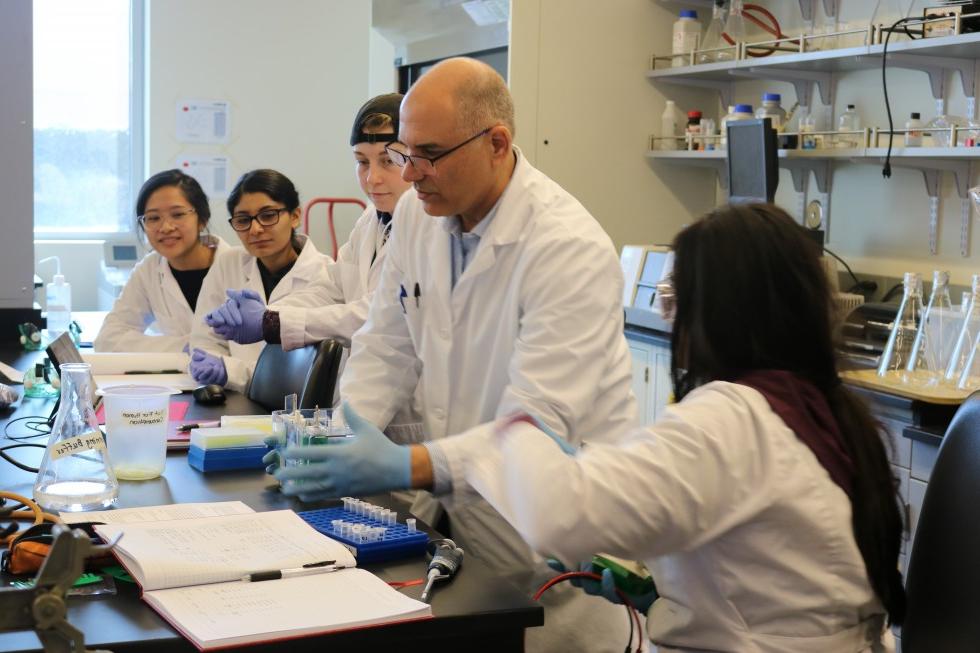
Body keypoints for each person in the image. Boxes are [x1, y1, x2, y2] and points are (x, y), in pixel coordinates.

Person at [275, 58, 637, 653]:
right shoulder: (420, 214)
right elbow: (387, 343)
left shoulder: (567, 248)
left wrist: (401, 464)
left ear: (497, 143)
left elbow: (535, 427)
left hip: (557, 531)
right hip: (467, 523)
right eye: (402, 153)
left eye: (429, 154)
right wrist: (339, 436)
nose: (410, 174)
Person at [447, 204, 906, 652]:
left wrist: (512, 430)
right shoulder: (825, 409)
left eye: (674, 302)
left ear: (715, 312)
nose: (671, 321)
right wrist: (669, 596)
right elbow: (770, 567)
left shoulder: (733, 419)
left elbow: (559, 516)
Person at [204, 93, 412, 354]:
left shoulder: (429, 226)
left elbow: (382, 313)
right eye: (361, 162)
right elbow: (331, 290)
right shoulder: (370, 220)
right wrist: (269, 313)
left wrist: (272, 322)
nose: (372, 178)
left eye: (388, 160)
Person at [189, 169, 329, 392]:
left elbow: (301, 371)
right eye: (243, 220)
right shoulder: (228, 263)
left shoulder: (325, 274)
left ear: (294, 216)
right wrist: (212, 367)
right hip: (232, 399)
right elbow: (203, 339)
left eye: (268, 215)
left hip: (295, 411)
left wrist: (231, 371)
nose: (255, 229)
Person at [94, 170, 230, 353]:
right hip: (175, 379)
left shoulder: (238, 266)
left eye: (178, 214)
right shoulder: (149, 269)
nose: (165, 227)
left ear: (202, 220)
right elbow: (107, 340)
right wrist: (186, 346)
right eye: (154, 218)